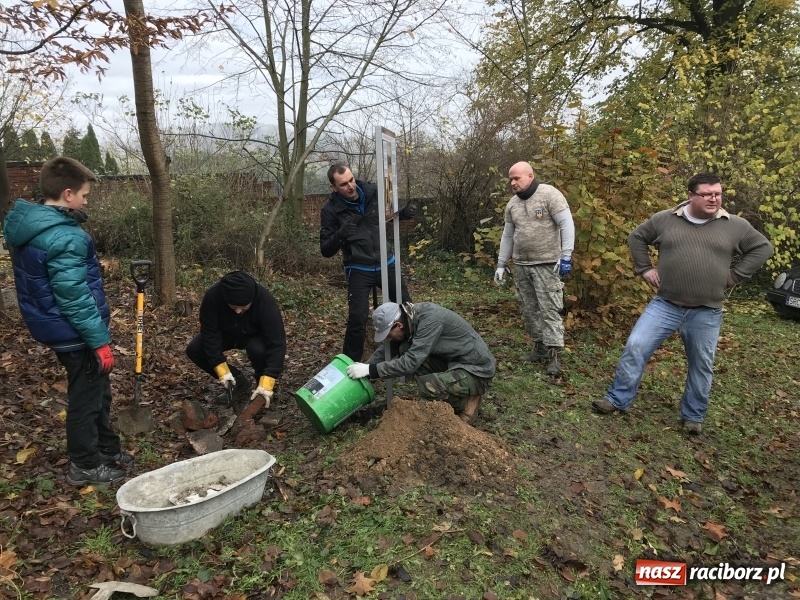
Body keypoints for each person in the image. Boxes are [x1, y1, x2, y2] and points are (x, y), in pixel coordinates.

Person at [592, 173, 774, 434]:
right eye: (707, 194)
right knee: (636, 346)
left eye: (718, 194)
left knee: (701, 364)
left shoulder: (735, 225)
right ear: (690, 195)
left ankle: (693, 416)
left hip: (706, 311)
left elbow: (763, 248)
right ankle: (617, 400)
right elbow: (636, 238)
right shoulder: (665, 219)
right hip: (665, 305)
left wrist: (736, 275)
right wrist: (644, 268)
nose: (714, 199)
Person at [3, 157, 131, 486]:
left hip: (54, 325)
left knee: (98, 391)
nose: (87, 201)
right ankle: (85, 466)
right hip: (74, 331)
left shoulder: (36, 227)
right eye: (85, 195)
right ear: (69, 193)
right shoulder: (65, 237)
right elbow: (73, 298)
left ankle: (106, 449)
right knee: (87, 398)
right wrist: (99, 341)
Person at [320, 162, 415, 362]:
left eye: (351, 180)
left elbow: (390, 214)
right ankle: (348, 368)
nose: (351, 186)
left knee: (407, 308)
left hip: (386, 262)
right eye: (344, 184)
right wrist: (341, 233)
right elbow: (326, 250)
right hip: (358, 267)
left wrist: (403, 214)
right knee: (357, 318)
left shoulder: (374, 192)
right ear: (333, 187)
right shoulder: (330, 210)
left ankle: (409, 354)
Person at [345, 301, 496, 424]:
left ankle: (467, 402)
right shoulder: (409, 319)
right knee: (404, 348)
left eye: (388, 334)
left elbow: (411, 363)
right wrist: (365, 370)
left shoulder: (430, 320)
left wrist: (372, 370)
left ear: (399, 325)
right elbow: (387, 349)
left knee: (428, 385)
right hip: (454, 362)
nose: (388, 339)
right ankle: (447, 400)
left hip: (476, 371)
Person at [494, 161, 575, 376]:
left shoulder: (550, 195)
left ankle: (554, 355)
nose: (512, 182)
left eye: (516, 178)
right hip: (522, 265)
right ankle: (539, 348)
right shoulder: (512, 204)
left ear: (530, 176)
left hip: (547, 264)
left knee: (549, 310)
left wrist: (566, 255)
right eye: (510, 179)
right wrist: (502, 263)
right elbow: (508, 234)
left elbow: (566, 224)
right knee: (529, 309)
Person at [186, 271, 287, 407]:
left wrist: (269, 379)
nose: (238, 311)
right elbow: (209, 334)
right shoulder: (213, 296)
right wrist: (221, 369)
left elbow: (277, 342)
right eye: (233, 307)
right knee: (195, 349)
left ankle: (263, 387)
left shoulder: (264, 300)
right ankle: (238, 382)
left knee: (258, 350)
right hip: (225, 334)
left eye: (243, 307)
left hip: (253, 336)